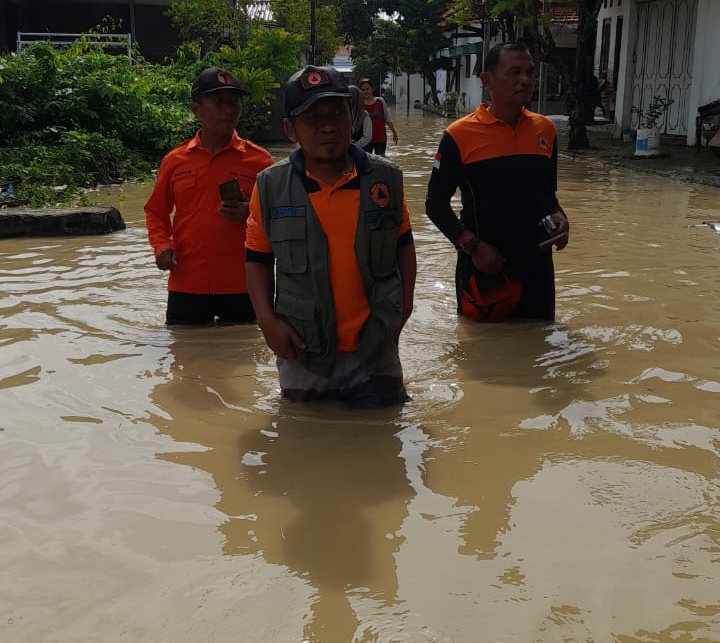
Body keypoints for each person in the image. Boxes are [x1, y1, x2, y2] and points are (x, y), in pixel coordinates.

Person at [245, 65, 417, 407]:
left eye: (337, 112)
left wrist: (402, 314)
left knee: (384, 445)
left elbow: (404, 249)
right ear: (290, 129)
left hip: (376, 348)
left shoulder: (385, 180)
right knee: (302, 445)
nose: (327, 126)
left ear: (351, 117)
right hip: (302, 350)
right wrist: (267, 322)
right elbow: (257, 260)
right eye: (312, 117)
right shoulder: (270, 187)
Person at [425, 41, 569, 323]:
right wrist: (473, 246)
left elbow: (547, 194)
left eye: (529, 72)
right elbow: (435, 204)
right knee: (482, 356)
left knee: (540, 348)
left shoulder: (545, 130)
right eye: (514, 72)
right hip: (485, 269)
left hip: (537, 268)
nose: (525, 80)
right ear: (487, 79)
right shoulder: (459, 135)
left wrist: (560, 217)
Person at [145, 66, 274, 325]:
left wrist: (251, 214)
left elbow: (283, 221)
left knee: (241, 359)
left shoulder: (260, 162)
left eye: (234, 103)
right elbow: (156, 212)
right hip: (187, 283)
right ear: (196, 109)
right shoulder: (175, 160)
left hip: (243, 285)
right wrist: (162, 246)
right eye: (218, 102)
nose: (229, 110)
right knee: (183, 358)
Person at [358, 78, 398, 155]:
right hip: (365, 140)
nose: (366, 91)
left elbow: (387, 119)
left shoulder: (380, 101)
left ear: (372, 89)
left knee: (381, 161)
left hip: (380, 138)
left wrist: (394, 132)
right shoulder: (359, 104)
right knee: (366, 162)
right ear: (360, 92)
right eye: (363, 90)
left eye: (367, 89)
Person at [349, 85, 372, 149]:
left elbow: (367, 137)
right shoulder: (345, 114)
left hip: (362, 151)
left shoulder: (364, 115)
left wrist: (353, 146)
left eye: (351, 97)